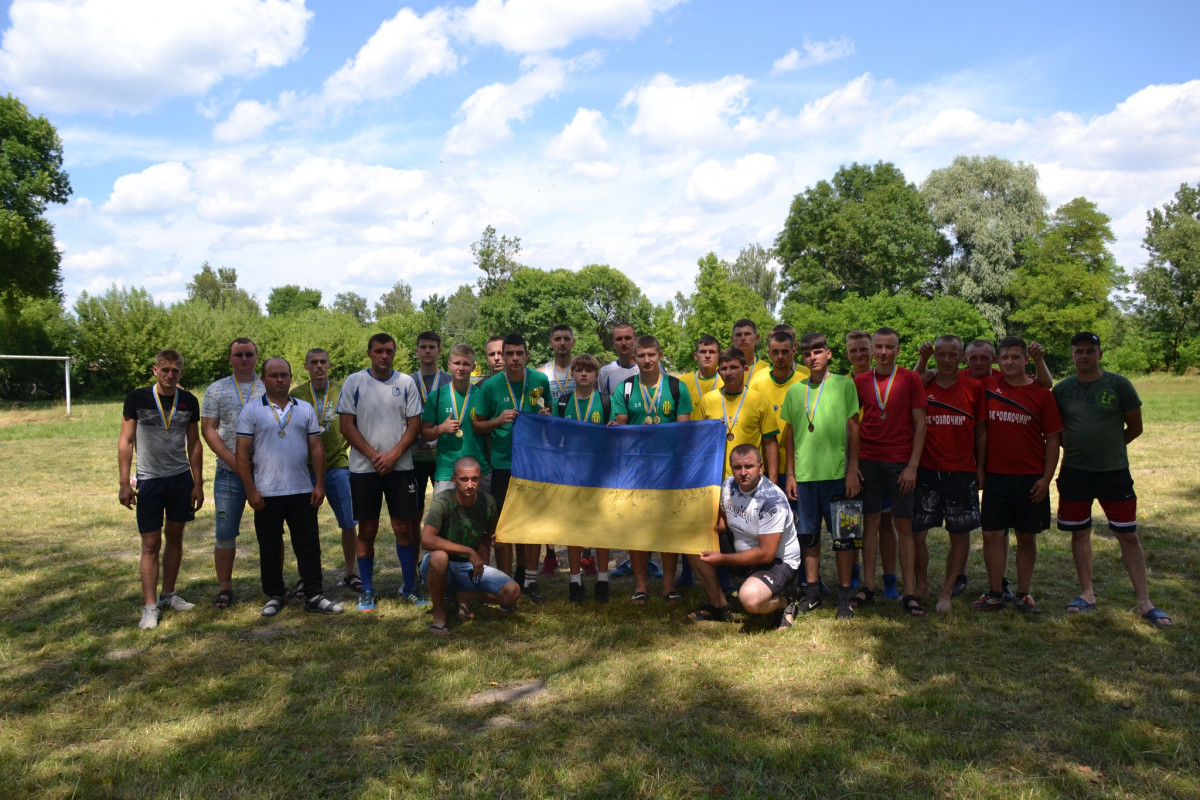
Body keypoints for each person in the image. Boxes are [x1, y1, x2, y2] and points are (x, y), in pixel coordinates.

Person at [1054, 332, 1170, 626]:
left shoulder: (1119, 385)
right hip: (1075, 472)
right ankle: (1087, 593)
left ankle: (1145, 602)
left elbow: (1135, 426)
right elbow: (1055, 430)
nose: (1084, 356)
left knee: (1127, 535)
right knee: (1080, 533)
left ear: (1100, 354)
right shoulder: (1063, 389)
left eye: (1090, 351)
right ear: (1072, 355)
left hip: (1114, 473)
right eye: (1078, 351)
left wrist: (1111, 449)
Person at [236, 358, 343, 617]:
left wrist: (318, 484)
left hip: (301, 489)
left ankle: (314, 594)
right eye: (273, 376)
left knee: (308, 545)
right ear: (263, 379)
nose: (279, 380)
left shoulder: (305, 408)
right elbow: (241, 453)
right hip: (266, 491)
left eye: (284, 375)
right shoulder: (251, 411)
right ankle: (275, 594)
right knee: (270, 545)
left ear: (291, 377)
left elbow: (317, 448)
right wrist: (250, 490)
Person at [972, 336, 1062, 614]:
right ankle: (995, 592)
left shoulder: (1041, 394)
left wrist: (1046, 479)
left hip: (1030, 477)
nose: (1010, 362)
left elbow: (1053, 439)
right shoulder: (988, 386)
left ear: (1026, 360)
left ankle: (1024, 593)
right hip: (996, 476)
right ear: (997, 361)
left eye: (1016, 357)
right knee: (991, 535)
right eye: (1005, 357)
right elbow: (951, 376)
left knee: (1026, 537)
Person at [336, 333, 425, 612]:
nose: (383, 355)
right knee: (368, 530)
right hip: (365, 469)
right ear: (369, 353)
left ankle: (409, 586)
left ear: (395, 353)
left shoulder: (406, 382)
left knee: (403, 527)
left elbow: (414, 425)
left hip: (401, 468)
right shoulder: (354, 382)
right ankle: (368, 589)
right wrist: (375, 456)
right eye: (378, 351)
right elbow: (346, 426)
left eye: (388, 351)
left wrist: (393, 455)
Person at [119, 349, 204, 630]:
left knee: (176, 537)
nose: (170, 375)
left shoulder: (189, 400)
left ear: (181, 372)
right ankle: (150, 606)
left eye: (175, 370)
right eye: (165, 369)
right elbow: (126, 441)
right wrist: (123, 483)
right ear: (155, 370)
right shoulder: (137, 399)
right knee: (150, 544)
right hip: (150, 481)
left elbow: (194, 444)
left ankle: (168, 594)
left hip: (180, 480)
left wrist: (198, 483)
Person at [781, 333, 862, 620]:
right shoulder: (794, 391)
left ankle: (844, 597)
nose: (812, 357)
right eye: (806, 354)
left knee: (845, 538)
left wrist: (852, 470)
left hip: (839, 476)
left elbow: (854, 430)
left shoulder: (844, 385)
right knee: (809, 537)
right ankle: (812, 593)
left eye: (817, 352)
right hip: (804, 477)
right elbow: (789, 435)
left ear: (828, 354)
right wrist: (790, 473)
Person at [612, 334, 693, 605]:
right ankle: (641, 586)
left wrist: (658, 435)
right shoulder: (624, 389)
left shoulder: (676, 387)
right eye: (641, 356)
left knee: (668, 526)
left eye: (651, 355)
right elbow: (620, 427)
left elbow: (684, 432)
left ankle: (668, 586)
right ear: (634, 358)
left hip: (669, 468)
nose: (646, 360)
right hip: (635, 469)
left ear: (659, 355)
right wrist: (629, 430)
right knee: (638, 527)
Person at [685, 445, 802, 630]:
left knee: (750, 599)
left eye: (749, 466)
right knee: (692, 540)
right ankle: (718, 606)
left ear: (761, 467)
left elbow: (766, 554)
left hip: (778, 562)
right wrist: (710, 528)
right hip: (743, 551)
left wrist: (722, 558)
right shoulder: (728, 485)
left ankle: (785, 602)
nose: (743, 472)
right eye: (737, 467)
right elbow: (724, 517)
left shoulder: (772, 500)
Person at [852, 328, 927, 613]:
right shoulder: (860, 381)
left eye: (889, 347)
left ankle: (909, 592)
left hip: (900, 464)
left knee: (902, 526)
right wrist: (854, 464)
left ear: (897, 349)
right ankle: (868, 586)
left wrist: (913, 466)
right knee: (869, 524)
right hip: (869, 461)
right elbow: (852, 424)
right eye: (879, 347)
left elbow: (921, 424)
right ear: (872, 349)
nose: (884, 352)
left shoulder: (911, 379)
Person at [911, 336, 986, 615]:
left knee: (959, 533)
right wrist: (923, 362)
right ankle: (921, 585)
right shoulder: (924, 383)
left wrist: (980, 468)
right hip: (927, 471)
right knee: (917, 532)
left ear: (962, 358)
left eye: (952, 355)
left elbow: (981, 431)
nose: (945, 360)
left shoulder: (974, 388)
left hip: (961, 471)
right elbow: (906, 384)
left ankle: (947, 591)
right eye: (940, 354)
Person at [474, 333, 553, 603]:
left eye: (519, 353)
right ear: (503, 356)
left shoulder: (540, 381)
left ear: (527, 355)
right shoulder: (490, 386)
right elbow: (477, 425)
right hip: (503, 465)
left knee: (531, 525)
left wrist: (546, 418)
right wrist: (497, 421)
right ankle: (504, 583)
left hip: (533, 465)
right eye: (509, 354)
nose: (514, 358)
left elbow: (549, 416)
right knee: (504, 527)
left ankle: (530, 581)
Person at [420, 457, 520, 636]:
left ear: (481, 478)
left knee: (512, 592)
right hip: (443, 566)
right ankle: (439, 614)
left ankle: (465, 594)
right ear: (453, 479)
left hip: (469, 568)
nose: (470, 485)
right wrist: (468, 551)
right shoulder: (442, 501)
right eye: (464, 479)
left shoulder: (488, 502)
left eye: (475, 479)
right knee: (439, 557)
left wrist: (497, 542)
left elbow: (491, 537)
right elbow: (426, 540)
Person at [201, 337, 265, 610]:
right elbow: (208, 429)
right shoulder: (216, 390)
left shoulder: (268, 385)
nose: (243, 359)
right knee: (225, 533)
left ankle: (274, 585)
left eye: (248, 354)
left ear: (256, 357)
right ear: (229, 358)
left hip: (265, 473)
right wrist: (234, 461)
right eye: (238, 354)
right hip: (229, 474)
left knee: (271, 532)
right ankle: (225, 588)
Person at [291, 348, 360, 594]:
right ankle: (306, 576)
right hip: (305, 469)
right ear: (306, 366)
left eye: (323, 362)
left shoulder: (342, 391)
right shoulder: (296, 395)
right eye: (314, 362)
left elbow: (354, 424)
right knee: (304, 526)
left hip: (338, 465)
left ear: (329, 365)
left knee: (349, 522)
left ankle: (351, 572)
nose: (319, 366)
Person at [554, 353, 613, 603]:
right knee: (574, 526)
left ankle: (602, 578)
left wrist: (615, 428)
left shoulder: (606, 400)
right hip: (572, 474)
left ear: (596, 375)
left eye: (589, 370)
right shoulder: (562, 402)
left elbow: (617, 432)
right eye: (579, 370)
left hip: (600, 473)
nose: (584, 374)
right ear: (573, 374)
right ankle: (575, 579)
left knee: (601, 526)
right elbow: (555, 437)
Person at [845, 329, 898, 596]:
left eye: (864, 349)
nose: (859, 355)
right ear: (847, 354)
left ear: (873, 350)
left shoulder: (887, 380)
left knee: (885, 522)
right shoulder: (842, 384)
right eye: (853, 350)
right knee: (851, 520)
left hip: (882, 460)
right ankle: (852, 576)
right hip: (852, 463)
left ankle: (889, 580)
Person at [693, 349, 778, 481]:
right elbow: (698, 442)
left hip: (750, 478)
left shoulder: (760, 401)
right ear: (718, 372)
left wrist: (773, 481)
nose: (728, 373)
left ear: (745, 369)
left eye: (733, 367)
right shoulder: (707, 401)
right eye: (724, 368)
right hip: (715, 479)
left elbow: (770, 443)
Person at [421, 343, 492, 496]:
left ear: (473, 367)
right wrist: (441, 428)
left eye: (466, 364)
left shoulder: (482, 395)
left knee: (482, 519)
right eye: (457, 363)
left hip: (479, 470)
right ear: (449, 365)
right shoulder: (437, 396)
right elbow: (425, 434)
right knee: (446, 519)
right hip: (447, 472)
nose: (461, 368)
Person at [537, 324, 577, 576]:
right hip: (548, 446)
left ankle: (584, 556)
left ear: (573, 342)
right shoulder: (541, 374)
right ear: (551, 343)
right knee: (548, 501)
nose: (562, 343)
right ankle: (551, 554)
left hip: (577, 447)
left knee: (579, 500)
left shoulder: (583, 369)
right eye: (557, 339)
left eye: (566, 339)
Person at [411, 331, 453, 528]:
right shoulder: (407, 382)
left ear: (439, 351)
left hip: (444, 457)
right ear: (416, 351)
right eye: (423, 347)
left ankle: (444, 557)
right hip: (414, 456)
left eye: (432, 347)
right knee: (414, 512)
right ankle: (414, 558)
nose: (427, 351)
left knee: (446, 510)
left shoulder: (450, 381)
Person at [676, 334, 724, 409]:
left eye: (712, 352)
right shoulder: (682, 382)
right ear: (696, 356)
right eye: (703, 352)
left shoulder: (726, 380)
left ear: (719, 356)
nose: (707, 355)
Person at [598, 321, 638, 395]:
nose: (623, 343)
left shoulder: (651, 367)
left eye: (627, 338)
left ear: (635, 340)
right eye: (619, 339)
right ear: (613, 342)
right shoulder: (605, 372)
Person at [731, 318, 772, 385]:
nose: (743, 338)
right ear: (732, 340)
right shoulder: (723, 371)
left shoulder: (768, 370)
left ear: (757, 338)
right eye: (738, 335)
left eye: (747, 334)